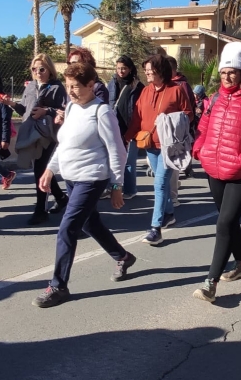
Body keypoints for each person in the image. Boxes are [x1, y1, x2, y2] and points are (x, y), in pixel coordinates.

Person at [32, 62, 135, 308]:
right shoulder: (72, 108)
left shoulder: (102, 112)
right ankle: (123, 256)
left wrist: (117, 185)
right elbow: (64, 144)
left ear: (91, 85)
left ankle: (58, 286)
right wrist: (50, 169)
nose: (71, 91)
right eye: (68, 86)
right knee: (90, 223)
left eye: (76, 87)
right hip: (71, 177)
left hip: (92, 178)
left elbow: (117, 151)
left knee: (67, 228)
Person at [191, 42, 241, 303]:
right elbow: (203, 128)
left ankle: (210, 282)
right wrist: (199, 150)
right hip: (214, 170)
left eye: (233, 72)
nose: (227, 77)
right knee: (230, 221)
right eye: (224, 72)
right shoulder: (214, 98)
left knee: (224, 223)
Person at [124, 54, 193, 244]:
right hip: (149, 144)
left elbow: (189, 114)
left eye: (150, 70)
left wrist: (169, 120)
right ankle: (169, 213)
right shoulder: (145, 91)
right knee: (160, 182)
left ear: (160, 71)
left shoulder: (176, 90)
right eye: (145, 70)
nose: (146, 73)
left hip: (168, 146)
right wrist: (126, 138)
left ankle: (156, 228)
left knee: (160, 183)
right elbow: (137, 118)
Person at [1, 54, 68, 224]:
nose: (37, 72)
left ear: (49, 70)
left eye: (42, 69)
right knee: (42, 170)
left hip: (49, 134)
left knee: (40, 169)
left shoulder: (56, 87)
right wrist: (12, 104)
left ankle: (41, 210)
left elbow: (64, 110)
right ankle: (61, 198)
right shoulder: (30, 86)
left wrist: (47, 111)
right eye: (34, 69)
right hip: (31, 132)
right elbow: (25, 110)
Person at [107, 55, 144, 200]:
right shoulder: (112, 83)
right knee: (113, 159)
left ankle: (130, 189)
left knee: (129, 161)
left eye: (124, 68)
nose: (121, 71)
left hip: (132, 128)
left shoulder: (138, 86)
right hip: (114, 126)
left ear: (130, 69)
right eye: (118, 68)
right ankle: (112, 188)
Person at [167, 55, 196, 192]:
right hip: (167, 126)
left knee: (181, 148)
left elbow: (189, 105)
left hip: (179, 124)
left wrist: (185, 121)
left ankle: (186, 168)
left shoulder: (181, 85)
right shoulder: (166, 84)